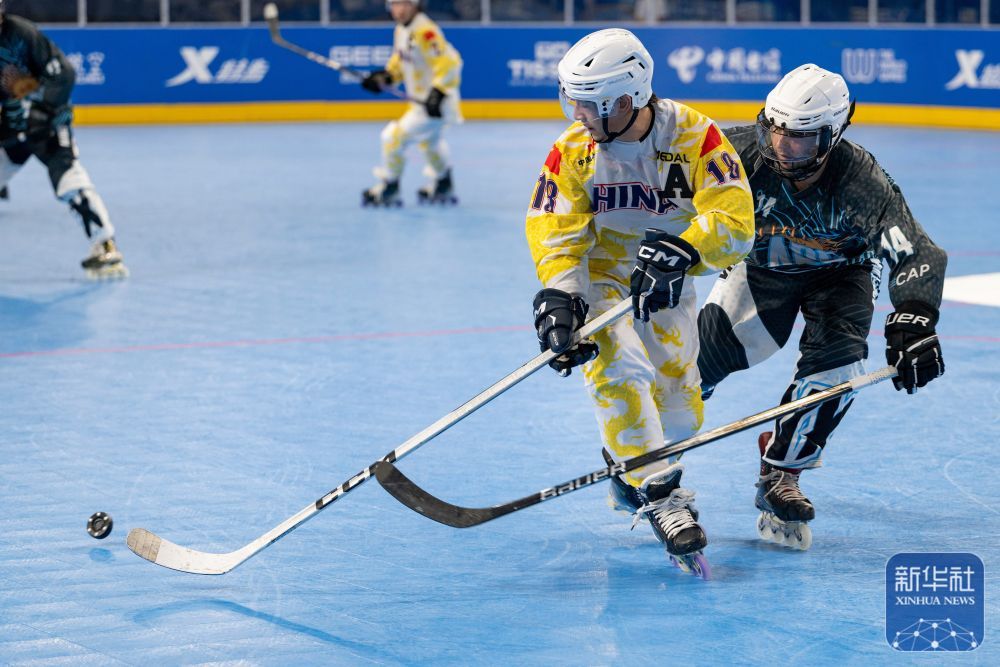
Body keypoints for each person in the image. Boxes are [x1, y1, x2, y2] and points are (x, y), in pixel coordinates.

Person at [526, 28, 755, 575]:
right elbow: (555, 231)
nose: (577, 114)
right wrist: (563, 297)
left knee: (680, 406)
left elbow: (734, 219)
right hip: (603, 277)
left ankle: (625, 465)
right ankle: (663, 496)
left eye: (588, 104)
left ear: (626, 101)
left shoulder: (696, 137)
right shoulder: (572, 152)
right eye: (572, 101)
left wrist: (687, 250)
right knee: (620, 371)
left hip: (667, 279)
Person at [697, 64, 947, 550]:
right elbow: (665, 198)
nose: (782, 148)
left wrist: (915, 317)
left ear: (833, 135)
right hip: (760, 269)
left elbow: (915, 251)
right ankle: (649, 457)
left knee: (837, 372)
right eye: (775, 132)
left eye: (800, 140)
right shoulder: (734, 155)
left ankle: (782, 471)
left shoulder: (861, 181)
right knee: (693, 367)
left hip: (841, 277)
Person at [0, 3, 128, 279]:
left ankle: (105, 244)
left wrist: (44, 111)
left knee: (69, 181)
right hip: (11, 126)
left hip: (45, 123)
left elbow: (64, 73)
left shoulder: (21, 33)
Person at [359, 0, 462, 207]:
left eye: (402, 4)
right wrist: (385, 77)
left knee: (392, 137)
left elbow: (450, 63)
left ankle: (390, 187)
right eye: (394, 4)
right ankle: (443, 183)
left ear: (414, 5)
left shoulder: (426, 31)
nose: (397, 9)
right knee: (430, 143)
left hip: (436, 102)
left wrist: (438, 92)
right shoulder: (401, 30)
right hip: (420, 103)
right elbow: (399, 63)